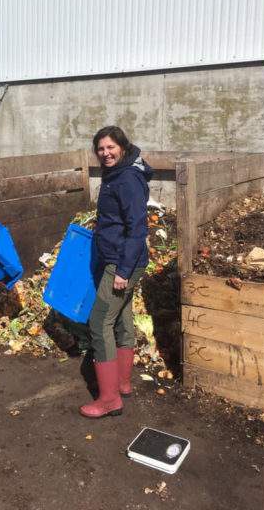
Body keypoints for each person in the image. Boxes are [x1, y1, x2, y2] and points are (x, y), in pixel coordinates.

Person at [80, 126, 152, 418]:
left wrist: (122, 270)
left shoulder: (128, 180)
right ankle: (121, 383)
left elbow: (138, 228)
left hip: (123, 262)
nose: (105, 153)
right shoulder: (116, 174)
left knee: (99, 323)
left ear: (122, 147)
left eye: (111, 147)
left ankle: (109, 399)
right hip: (119, 258)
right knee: (121, 319)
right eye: (101, 148)